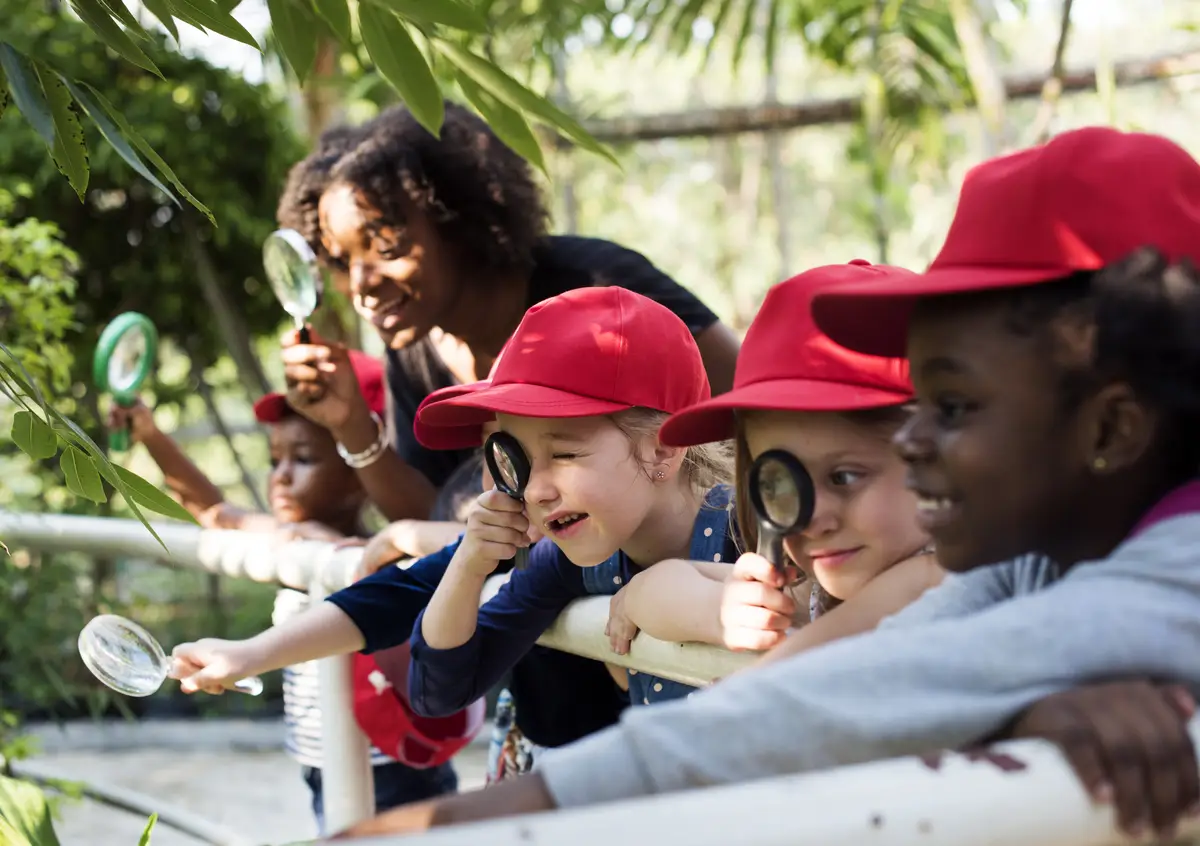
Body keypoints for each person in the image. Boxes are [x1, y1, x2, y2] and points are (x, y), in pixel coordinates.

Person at [329, 126, 1200, 842]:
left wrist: (1003, 707)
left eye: (955, 406)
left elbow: (885, 688)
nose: (914, 438)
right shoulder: (1036, 562)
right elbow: (819, 690)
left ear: (1112, 429)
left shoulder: (1175, 576)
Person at [109, 352, 462, 833]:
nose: (281, 476)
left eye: (304, 459)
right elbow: (216, 513)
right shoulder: (294, 543)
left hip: (392, 767)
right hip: (321, 761)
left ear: (360, 474)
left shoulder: (376, 558)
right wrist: (151, 436)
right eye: (275, 460)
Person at [401, 286, 734, 741]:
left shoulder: (754, 534)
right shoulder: (575, 558)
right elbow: (438, 691)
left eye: (564, 454)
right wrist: (469, 564)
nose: (534, 491)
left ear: (662, 449)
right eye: (518, 460)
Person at [618, 261, 941, 660]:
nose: (810, 518)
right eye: (782, 482)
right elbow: (650, 588)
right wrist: (719, 612)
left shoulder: (948, 577)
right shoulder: (818, 591)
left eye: (844, 477)